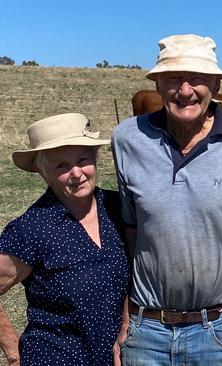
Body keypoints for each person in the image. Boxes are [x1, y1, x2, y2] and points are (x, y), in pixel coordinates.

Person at [111, 34, 222, 365]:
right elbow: (133, 234)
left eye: (198, 79)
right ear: (158, 84)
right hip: (147, 332)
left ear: (216, 85)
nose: (186, 90)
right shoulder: (127, 139)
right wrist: (126, 321)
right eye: (174, 78)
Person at [0, 113, 129, 365]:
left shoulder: (118, 209)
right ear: (43, 172)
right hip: (54, 357)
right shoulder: (31, 228)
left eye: (83, 160)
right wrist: (14, 354)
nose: (76, 173)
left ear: (95, 159)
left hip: (116, 356)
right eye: (61, 166)